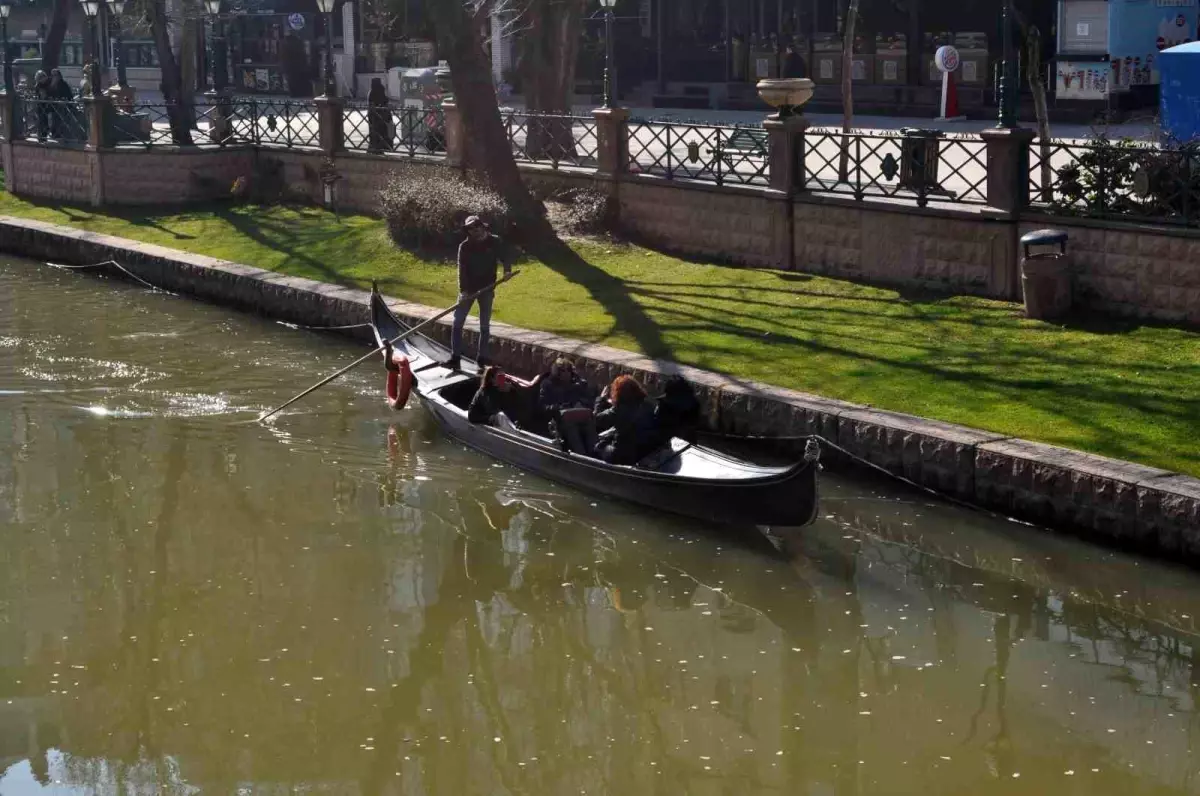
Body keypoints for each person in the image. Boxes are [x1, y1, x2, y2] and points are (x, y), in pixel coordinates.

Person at [444, 216, 515, 372]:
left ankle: (482, 359)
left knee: (484, 326)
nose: (474, 230)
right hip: (468, 290)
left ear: (482, 226)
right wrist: (463, 291)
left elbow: (505, 257)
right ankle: (455, 358)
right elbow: (461, 270)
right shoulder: (465, 246)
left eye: (476, 226)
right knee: (457, 323)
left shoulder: (495, 242)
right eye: (470, 228)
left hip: (487, 288)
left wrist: (507, 271)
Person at [595, 375, 659, 465]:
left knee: (598, 447)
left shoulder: (619, 409)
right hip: (643, 452)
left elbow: (597, 419)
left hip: (622, 455)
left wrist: (600, 400)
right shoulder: (649, 405)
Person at [538, 357, 597, 454]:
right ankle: (581, 455)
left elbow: (589, 400)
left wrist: (581, 403)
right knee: (571, 427)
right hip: (558, 419)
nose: (567, 373)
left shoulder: (578, 384)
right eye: (562, 371)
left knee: (590, 423)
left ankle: (595, 453)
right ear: (557, 372)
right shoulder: (547, 384)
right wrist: (559, 407)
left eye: (569, 370)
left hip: (579, 415)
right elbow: (542, 406)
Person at [654, 374, 701, 443]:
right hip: (687, 439)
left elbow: (659, 421)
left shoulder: (665, 404)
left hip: (671, 438)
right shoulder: (694, 403)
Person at [367, 77, 391, 153]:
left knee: (373, 131)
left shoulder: (371, 91)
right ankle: (380, 147)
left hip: (373, 115)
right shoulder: (380, 89)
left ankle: (373, 146)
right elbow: (384, 100)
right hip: (381, 115)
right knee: (381, 132)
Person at [33, 70, 51, 141]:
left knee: (44, 122)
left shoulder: (45, 85)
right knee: (41, 122)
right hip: (41, 106)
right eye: (43, 77)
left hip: (44, 106)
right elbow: (42, 96)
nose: (45, 79)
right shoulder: (39, 86)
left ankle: (43, 136)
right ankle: (41, 137)